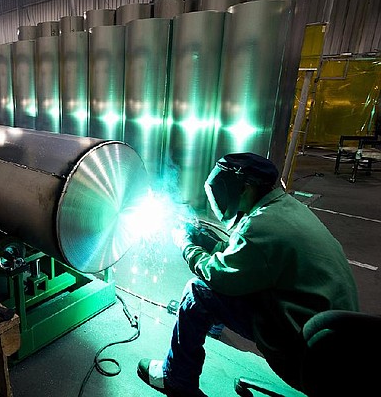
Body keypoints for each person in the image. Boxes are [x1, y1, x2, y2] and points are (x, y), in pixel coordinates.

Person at [137, 152, 359, 397]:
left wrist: (187, 246)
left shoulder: (261, 226)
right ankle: (209, 325)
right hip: (338, 342)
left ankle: (176, 378)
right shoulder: (284, 207)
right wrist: (208, 241)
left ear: (246, 188)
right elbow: (247, 258)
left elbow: (218, 274)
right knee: (230, 283)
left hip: (304, 353)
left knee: (197, 292)